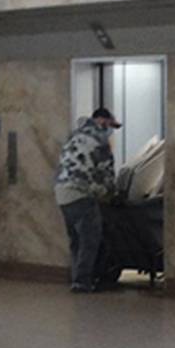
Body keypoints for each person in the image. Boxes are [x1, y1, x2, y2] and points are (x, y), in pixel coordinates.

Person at [54, 107, 120, 292]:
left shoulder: (73, 136)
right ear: (101, 121)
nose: (110, 130)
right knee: (90, 239)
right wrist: (112, 193)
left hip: (62, 193)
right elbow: (107, 174)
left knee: (75, 239)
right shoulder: (100, 141)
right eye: (110, 125)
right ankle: (83, 282)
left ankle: (77, 278)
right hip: (82, 194)